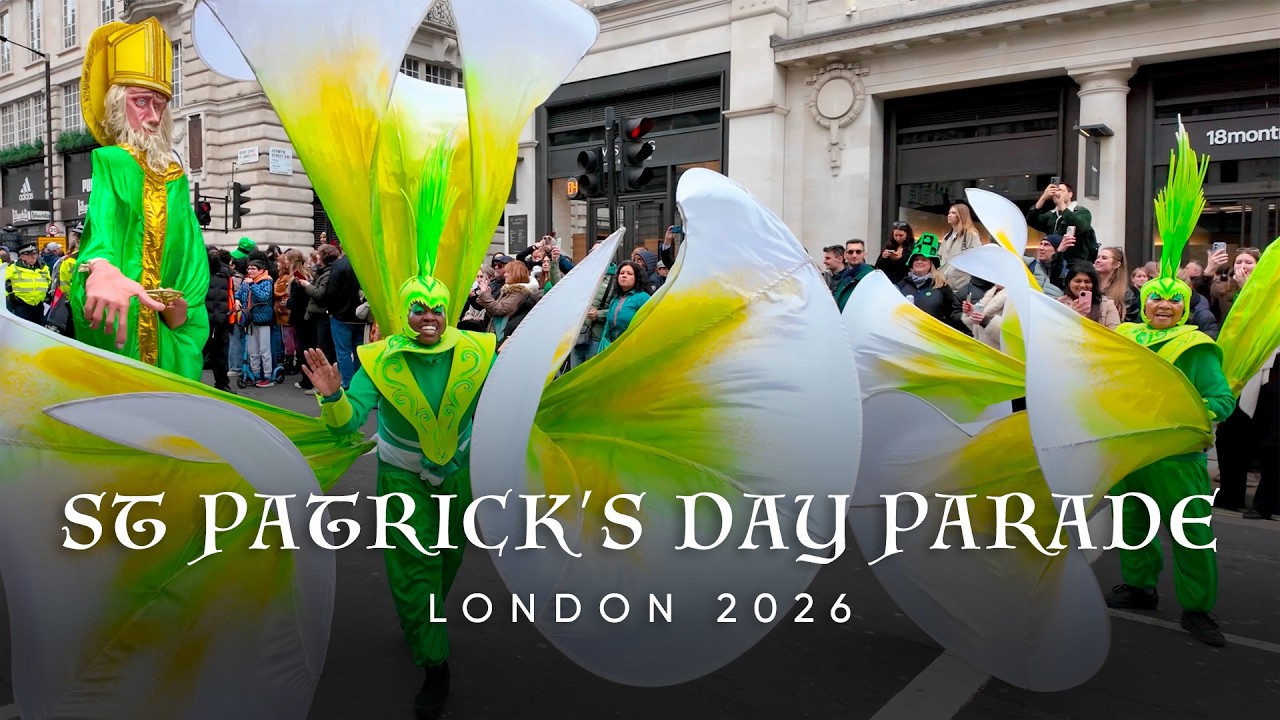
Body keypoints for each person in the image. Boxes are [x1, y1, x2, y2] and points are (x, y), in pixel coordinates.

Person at [304, 276, 495, 720]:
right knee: (415, 565)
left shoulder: (476, 353)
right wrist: (333, 396)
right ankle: (435, 664)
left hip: (457, 477)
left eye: (436, 309)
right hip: (402, 479)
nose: (428, 317)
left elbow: (504, 402)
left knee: (447, 558)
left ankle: (421, 620)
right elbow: (347, 423)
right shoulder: (378, 359)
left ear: (448, 311)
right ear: (403, 313)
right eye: (418, 308)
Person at [69, 17, 209, 380]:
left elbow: (192, 258)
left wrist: (181, 305)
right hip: (126, 332)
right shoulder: (112, 161)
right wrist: (100, 267)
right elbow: (101, 229)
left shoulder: (175, 177)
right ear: (118, 105)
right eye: (141, 102)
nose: (151, 116)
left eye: (159, 105)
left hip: (168, 337)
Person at [1026, 179, 1097, 265]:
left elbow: (1079, 226)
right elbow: (1031, 220)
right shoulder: (1052, 215)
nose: (1056, 193)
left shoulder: (1082, 212)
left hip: (1074, 263)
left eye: (1060, 190)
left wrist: (1062, 206)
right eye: (1054, 191)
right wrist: (1043, 197)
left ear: (1070, 194)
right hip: (1054, 262)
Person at [594, 261, 650, 353]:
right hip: (611, 349)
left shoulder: (643, 298)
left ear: (637, 278)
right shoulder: (615, 299)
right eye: (622, 273)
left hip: (633, 350)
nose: (624, 276)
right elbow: (607, 326)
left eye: (629, 274)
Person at [4, 243, 52, 325]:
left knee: (39, 330)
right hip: (21, 305)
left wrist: (46, 296)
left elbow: (48, 282)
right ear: (22, 257)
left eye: (35, 254)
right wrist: (9, 297)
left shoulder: (43, 268)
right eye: (29, 255)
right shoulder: (12, 268)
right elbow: (2, 284)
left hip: (39, 305)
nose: (34, 257)